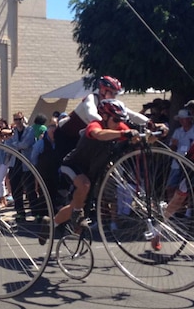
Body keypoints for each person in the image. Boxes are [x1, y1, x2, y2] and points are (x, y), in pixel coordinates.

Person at [55, 99, 137, 233]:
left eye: (121, 121)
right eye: (116, 120)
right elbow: (99, 135)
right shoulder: (95, 125)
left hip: (91, 172)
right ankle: (77, 215)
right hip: (72, 165)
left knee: (74, 205)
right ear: (105, 116)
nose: (119, 125)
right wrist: (123, 134)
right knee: (84, 185)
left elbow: (136, 138)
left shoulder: (118, 127)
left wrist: (156, 133)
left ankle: (51, 224)